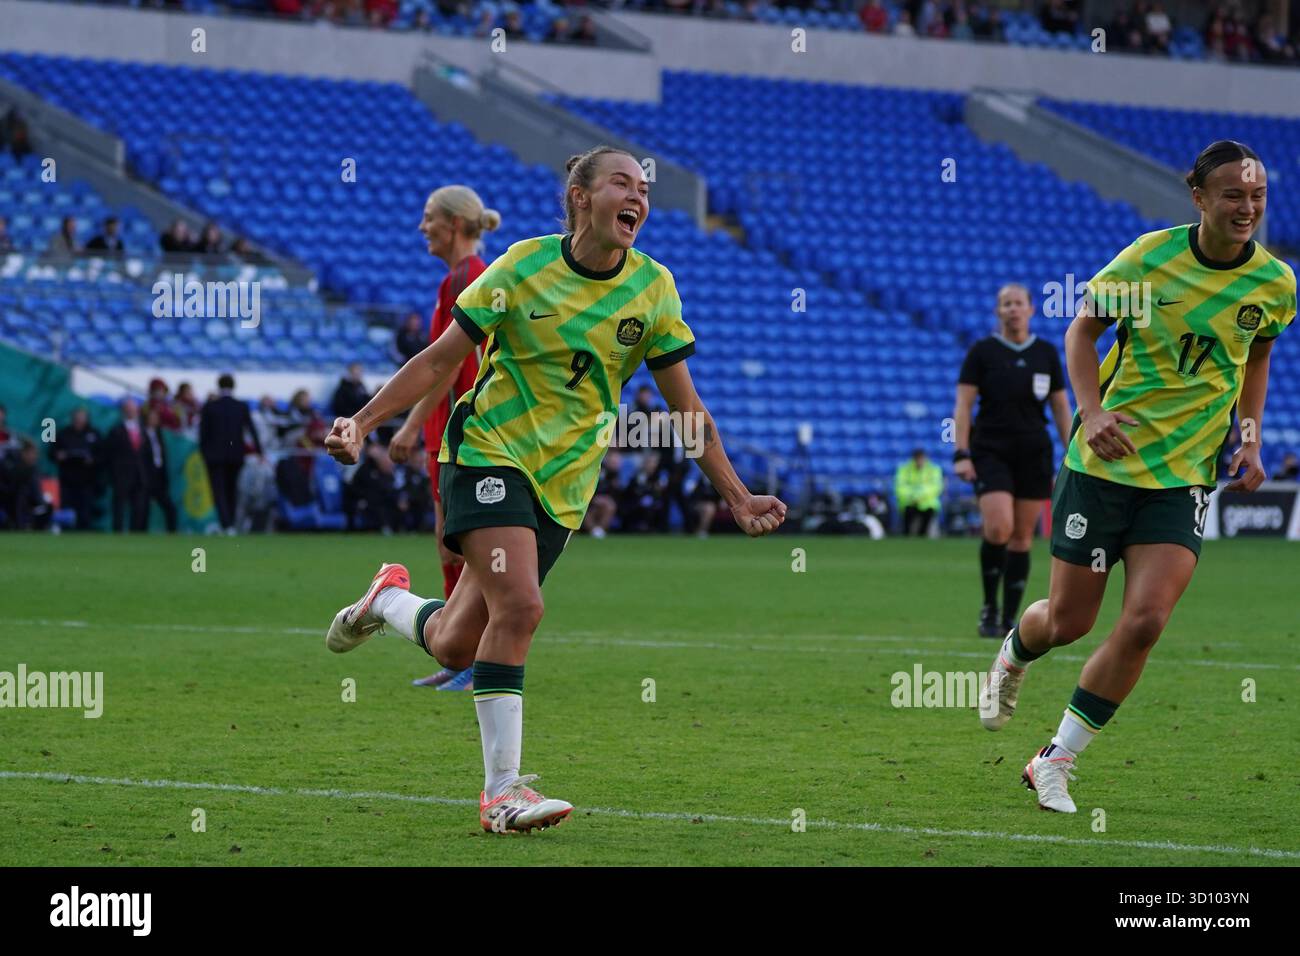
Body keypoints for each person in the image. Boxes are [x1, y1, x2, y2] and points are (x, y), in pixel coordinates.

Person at [320, 146, 787, 832]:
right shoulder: (522, 266)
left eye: (644, 189)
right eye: (622, 184)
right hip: (486, 454)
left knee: (455, 642)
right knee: (524, 605)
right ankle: (501, 794)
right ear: (580, 198)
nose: (638, 198)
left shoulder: (653, 288)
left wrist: (738, 495)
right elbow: (442, 358)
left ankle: (385, 600)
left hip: (564, 487)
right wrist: (361, 423)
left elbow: (687, 410)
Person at [979, 141, 1295, 813]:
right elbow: (1080, 332)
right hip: (1105, 466)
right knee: (1068, 621)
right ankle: (1013, 653)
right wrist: (1090, 413)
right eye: (1234, 196)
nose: (1248, 208)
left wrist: (1249, 438)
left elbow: (1257, 356)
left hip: (1184, 475)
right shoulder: (1148, 260)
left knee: (1147, 620)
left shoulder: (1275, 283)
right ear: (1200, 198)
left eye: (1258, 197)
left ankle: (1055, 758)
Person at [387, 184, 499, 691]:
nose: (421, 227)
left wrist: (409, 424)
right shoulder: (460, 278)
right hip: (449, 432)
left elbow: (447, 363)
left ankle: (473, 658)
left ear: (454, 224)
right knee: (451, 548)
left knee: (464, 547)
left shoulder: (469, 277)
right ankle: (460, 657)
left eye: (429, 217)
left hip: (463, 432)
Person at [954, 284, 1072, 637]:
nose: (1012, 309)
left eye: (1018, 303)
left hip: (1034, 451)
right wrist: (961, 452)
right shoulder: (982, 352)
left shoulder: (1046, 353)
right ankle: (988, 607)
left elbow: (1060, 406)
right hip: (991, 450)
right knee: (998, 528)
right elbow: (963, 405)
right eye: (1006, 304)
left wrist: (1073, 449)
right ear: (998, 311)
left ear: (1031, 310)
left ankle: (1008, 617)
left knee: (1022, 537)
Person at [200, 373, 263, 534]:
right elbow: (251, 429)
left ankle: (225, 524)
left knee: (218, 491)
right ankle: (231, 525)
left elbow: (203, 433)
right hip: (235, 455)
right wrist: (259, 451)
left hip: (214, 457)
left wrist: (204, 453)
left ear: (218, 386)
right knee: (232, 490)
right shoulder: (241, 406)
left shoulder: (210, 406)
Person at [51, 407, 101, 530]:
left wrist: (92, 459)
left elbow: (102, 454)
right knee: (66, 510)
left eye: (82, 417)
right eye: (77, 417)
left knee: (85, 511)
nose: (79, 420)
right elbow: (51, 452)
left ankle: (85, 535)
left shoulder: (94, 433)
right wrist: (59, 455)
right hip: (67, 479)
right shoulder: (63, 433)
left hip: (87, 480)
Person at [106, 397, 150, 532]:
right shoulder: (116, 431)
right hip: (122, 474)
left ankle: (135, 532)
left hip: (139, 474)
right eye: (128, 409)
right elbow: (110, 454)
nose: (131, 412)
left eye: (133, 409)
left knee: (138, 506)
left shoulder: (143, 430)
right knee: (119, 506)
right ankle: (117, 531)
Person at [141, 405, 178, 532]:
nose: (154, 420)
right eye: (152, 418)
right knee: (142, 509)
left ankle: (172, 533)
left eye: (156, 418)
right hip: (145, 477)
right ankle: (139, 534)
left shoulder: (159, 435)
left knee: (170, 507)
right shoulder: (141, 433)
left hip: (158, 476)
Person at [894, 448, 943, 536]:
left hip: (927, 504)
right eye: (918, 459)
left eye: (922, 458)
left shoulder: (933, 469)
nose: (920, 461)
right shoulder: (904, 469)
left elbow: (936, 487)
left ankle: (923, 535)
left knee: (926, 520)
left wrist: (920, 496)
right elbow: (899, 487)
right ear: (914, 459)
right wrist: (913, 497)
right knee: (907, 524)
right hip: (909, 502)